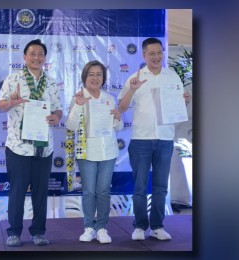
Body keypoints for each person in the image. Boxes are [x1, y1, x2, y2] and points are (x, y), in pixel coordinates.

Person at [118, 37, 190, 241]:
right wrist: (132, 89)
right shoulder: (135, 78)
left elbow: (178, 107)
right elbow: (121, 108)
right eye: (152, 53)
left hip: (165, 140)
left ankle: (157, 226)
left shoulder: (172, 76)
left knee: (160, 187)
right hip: (141, 140)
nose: (157, 57)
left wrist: (185, 101)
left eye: (160, 52)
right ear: (144, 55)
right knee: (140, 186)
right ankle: (139, 226)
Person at [0, 39, 63, 247]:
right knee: (17, 190)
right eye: (32, 54)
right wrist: (12, 102)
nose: (36, 57)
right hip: (18, 146)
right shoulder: (13, 79)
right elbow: (0, 106)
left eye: (40, 54)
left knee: (41, 191)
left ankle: (38, 232)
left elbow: (58, 109)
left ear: (45, 58)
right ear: (24, 57)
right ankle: (14, 231)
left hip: (44, 146)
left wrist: (57, 117)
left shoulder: (51, 82)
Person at [65, 60, 123, 244]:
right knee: (89, 191)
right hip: (87, 152)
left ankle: (102, 228)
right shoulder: (78, 97)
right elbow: (70, 126)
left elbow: (118, 128)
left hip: (108, 151)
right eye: (91, 74)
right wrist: (79, 105)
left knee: (104, 191)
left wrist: (118, 118)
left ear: (103, 78)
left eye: (99, 74)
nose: (95, 78)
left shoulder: (109, 98)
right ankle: (89, 227)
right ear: (85, 77)